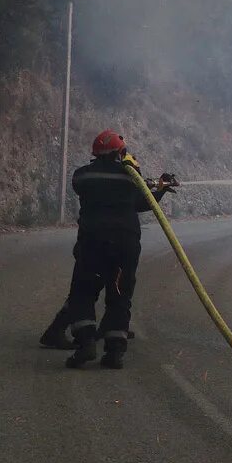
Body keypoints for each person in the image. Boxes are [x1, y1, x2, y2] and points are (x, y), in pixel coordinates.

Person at [62, 130, 173, 369]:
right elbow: (144, 202)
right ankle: (114, 352)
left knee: (83, 291)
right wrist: (159, 186)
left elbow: (89, 187)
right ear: (121, 153)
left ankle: (85, 343)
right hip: (125, 245)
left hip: (92, 243)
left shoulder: (82, 176)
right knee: (120, 295)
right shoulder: (131, 179)